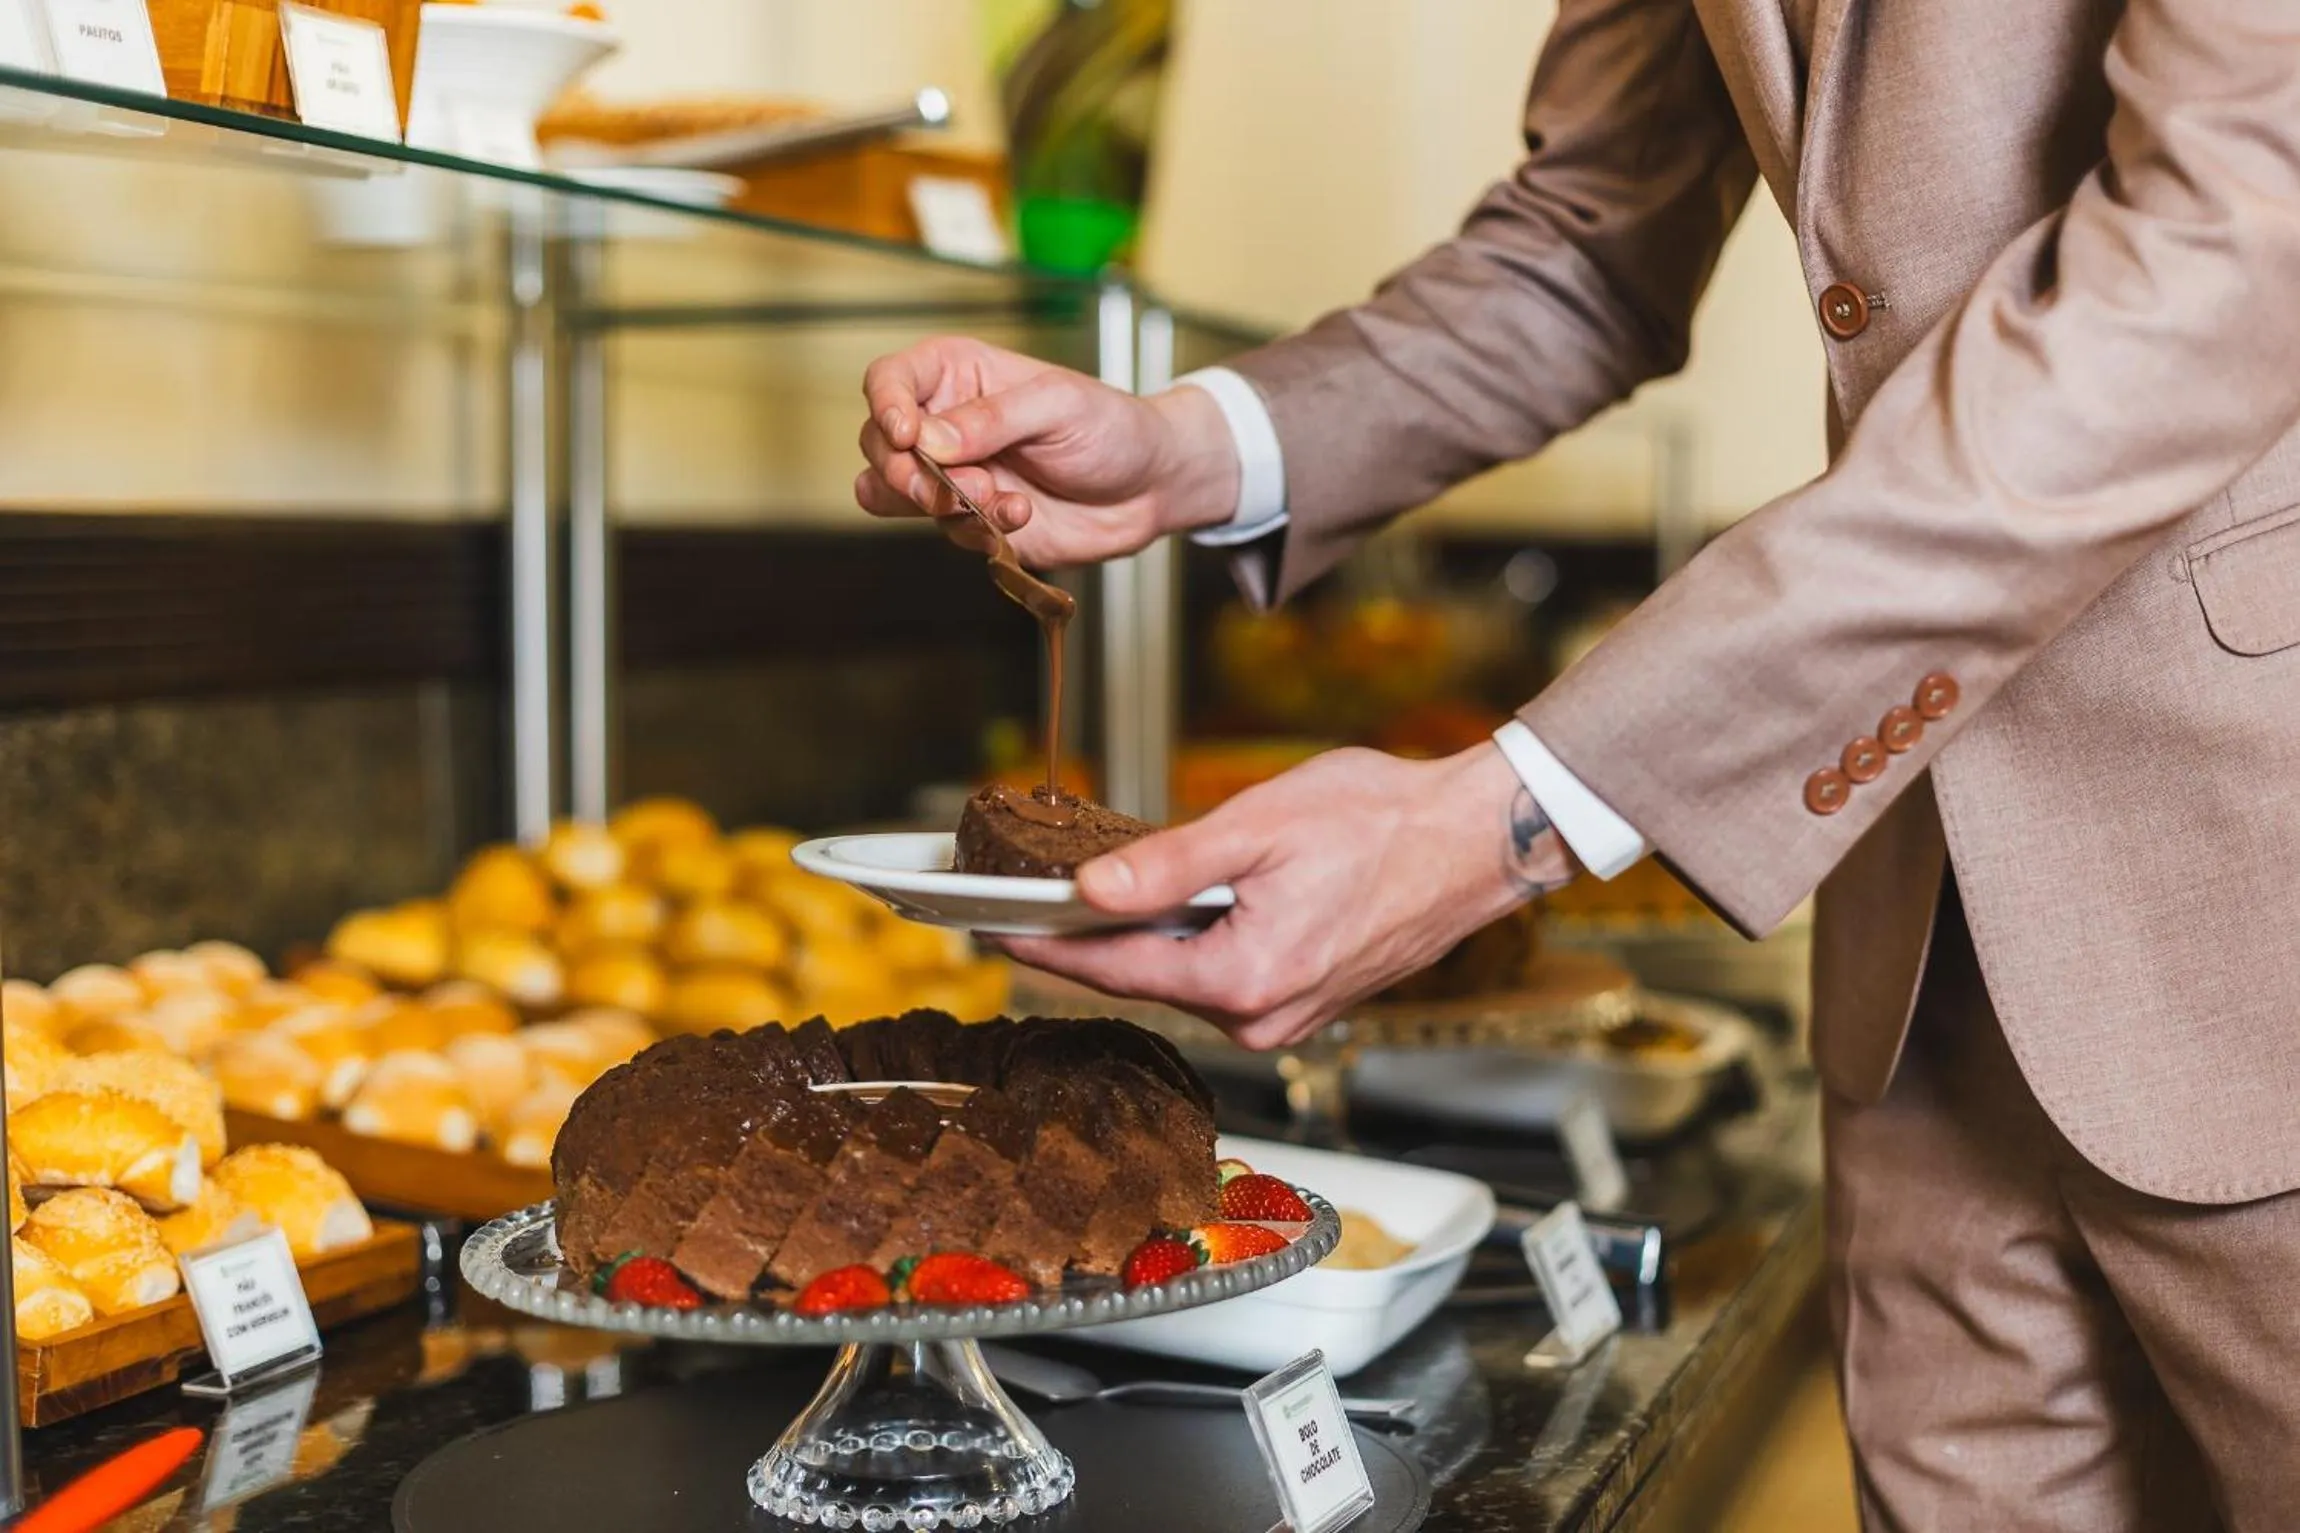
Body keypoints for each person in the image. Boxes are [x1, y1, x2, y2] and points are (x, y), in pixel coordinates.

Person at [858, 2, 2300, 1528]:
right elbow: (1594, 236)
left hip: (2250, 885)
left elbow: (2217, 259)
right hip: (1909, 944)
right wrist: (1196, 444)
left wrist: (1518, 810)